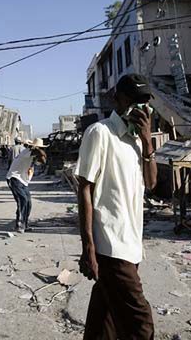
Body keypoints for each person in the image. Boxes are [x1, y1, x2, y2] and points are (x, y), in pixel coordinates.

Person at [75, 74, 157, 340]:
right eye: (133, 100)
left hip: (132, 245)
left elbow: (152, 182)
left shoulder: (135, 139)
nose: (140, 108)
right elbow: (84, 188)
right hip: (111, 246)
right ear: (116, 99)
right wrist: (88, 246)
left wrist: (147, 142)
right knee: (140, 324)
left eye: (144, 102)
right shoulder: (100, 133)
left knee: (104, 321)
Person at [6, 138, 47, 233]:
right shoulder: (27, 152)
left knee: (28, 202)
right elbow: (41, 155)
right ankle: (19, 225)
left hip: (23, 181)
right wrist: (38, 150)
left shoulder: (32, 156)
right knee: (22, 200)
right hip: (14, 178)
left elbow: (42, 161)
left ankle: (25, 224)